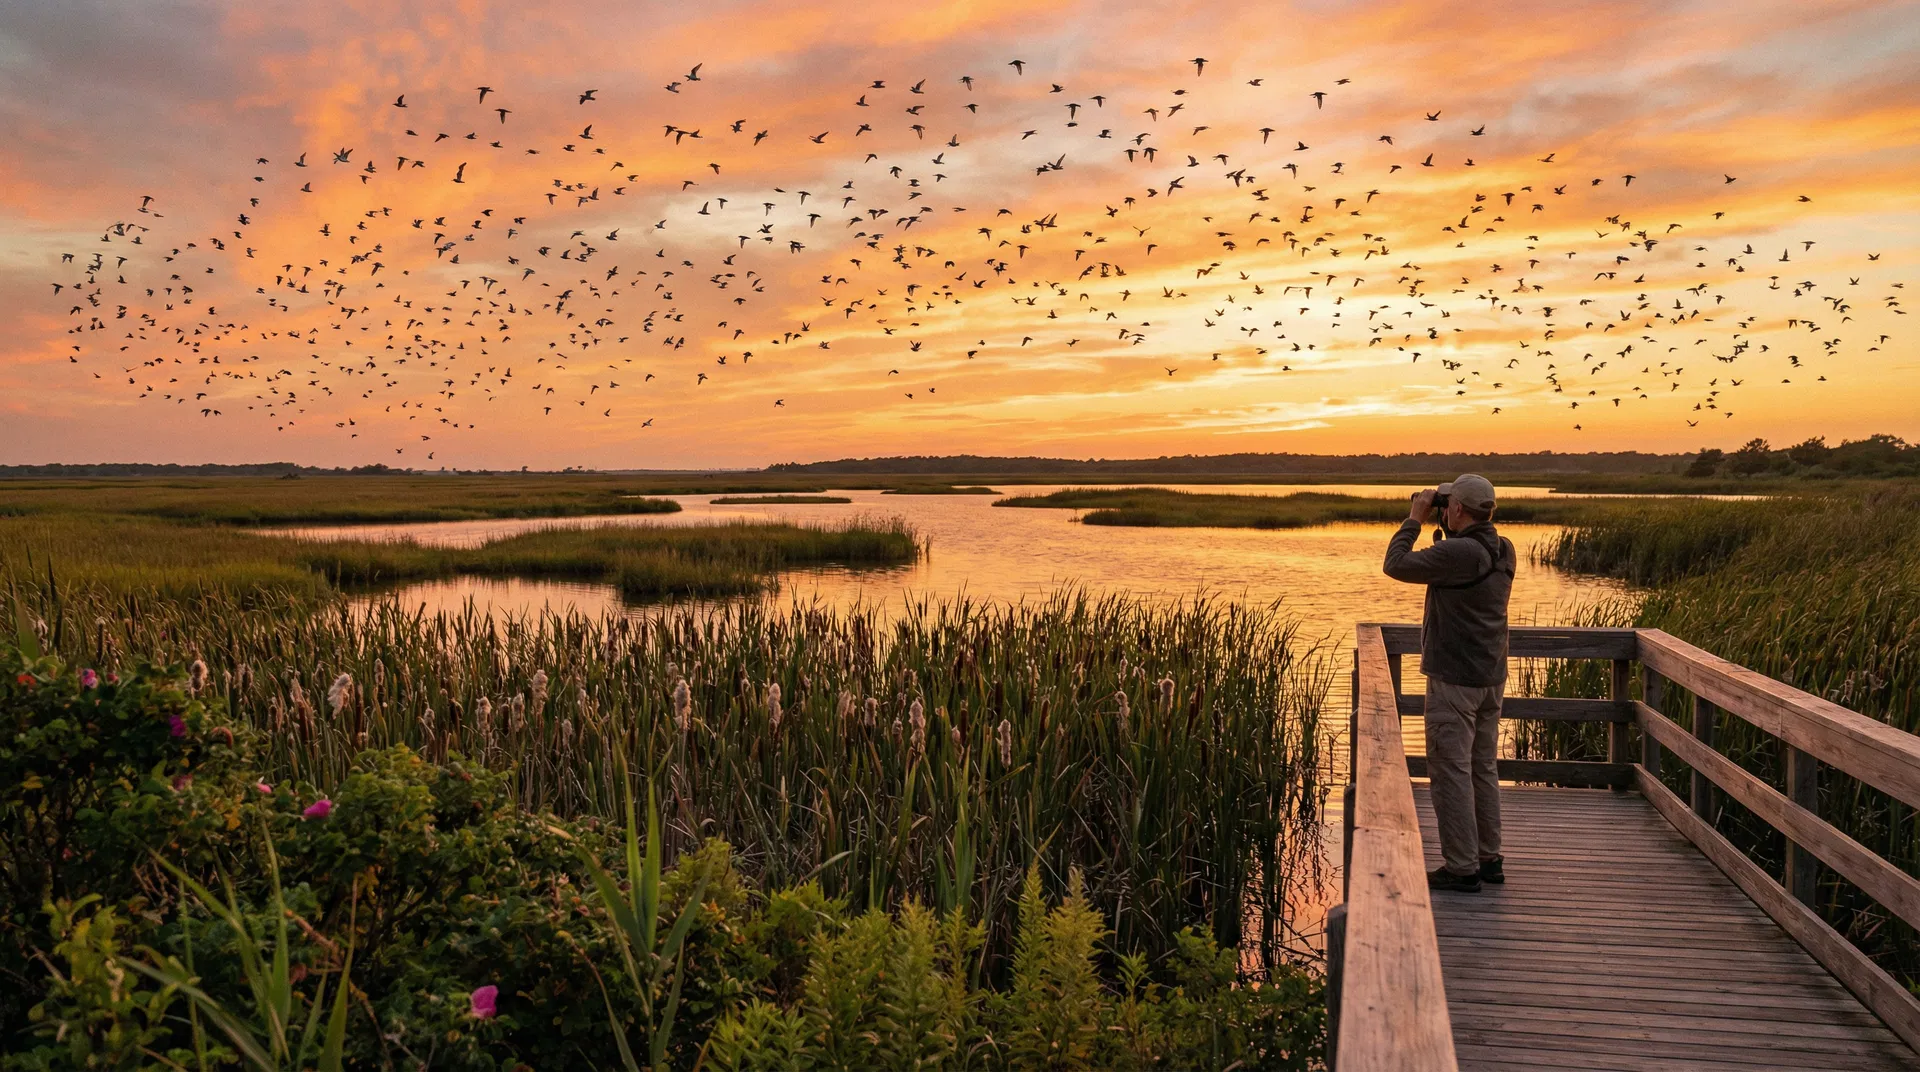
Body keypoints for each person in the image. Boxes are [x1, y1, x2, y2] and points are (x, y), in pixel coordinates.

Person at [1381, 474, 1515, 893]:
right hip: (1490, 677)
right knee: (1482, 767)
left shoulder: (1459, 552)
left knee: (1451, 771)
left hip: (1455, 679)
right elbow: (1454, 567)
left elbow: (1395, 564)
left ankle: (1461, 867)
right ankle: (1489, 857)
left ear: (1457, 508)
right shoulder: (1503, 548)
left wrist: (1414, 519)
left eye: (1448, 503)